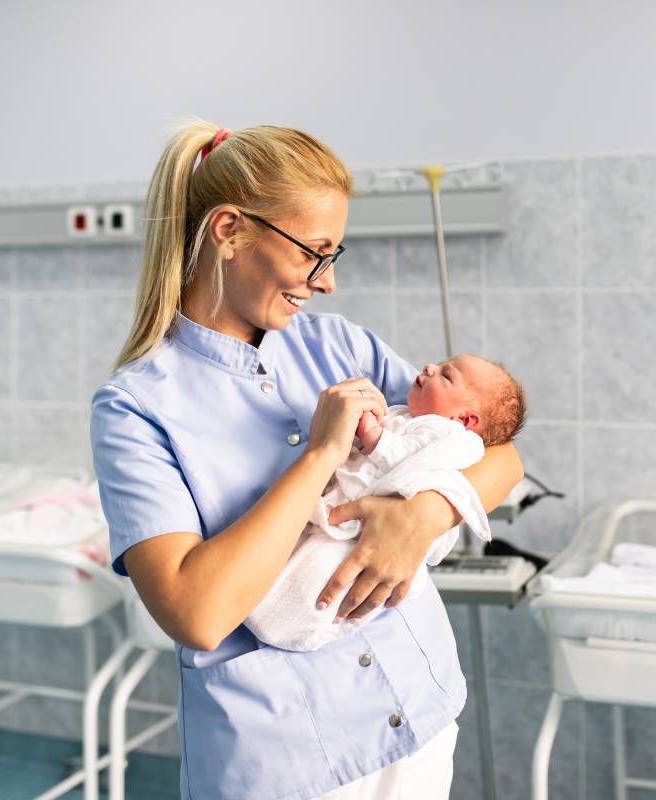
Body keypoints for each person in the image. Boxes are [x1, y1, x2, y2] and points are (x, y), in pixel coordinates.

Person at [88, 121, 523, 800]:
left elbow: (498, 455)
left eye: (334, 253)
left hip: (417, 710)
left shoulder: (338, 344)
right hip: (288, 758)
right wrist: (320, 454)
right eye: (314, 253)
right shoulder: (137, 408)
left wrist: (420, 520)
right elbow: (196, 613)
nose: (327, 282)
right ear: (229, 231)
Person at [246, 354, 527, 652]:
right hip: (341, 509)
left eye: (446, 376)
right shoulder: (406, 414)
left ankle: (294, 617)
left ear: (465, 420)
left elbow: (407, 460)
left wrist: (371, 433)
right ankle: (274, 604)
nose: (429, 367)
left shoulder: (449, 436)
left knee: (325, 574)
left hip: (364, 527)